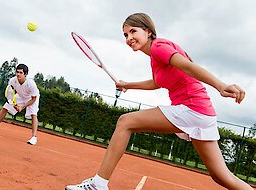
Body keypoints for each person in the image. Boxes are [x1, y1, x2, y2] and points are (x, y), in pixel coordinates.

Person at [65, 13, 253, 190]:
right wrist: (127, 84)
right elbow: (156, 83)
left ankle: (98, 184)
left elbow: (188, 66)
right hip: (201, 113)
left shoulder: (158, 46)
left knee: (125, 122)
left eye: (133, 31)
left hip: (191, 109)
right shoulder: (155, 57)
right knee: (221, 176)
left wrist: (220, 86)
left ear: (148, 31)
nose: (128, 38)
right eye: (125, 34)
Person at [0, 64, 40, 145]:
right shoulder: (12, 80)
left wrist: (22, 106)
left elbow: (34, 99)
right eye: (17, 72)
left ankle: (34, 137)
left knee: (33, 114)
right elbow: (11, 93)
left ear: (25, 74)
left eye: (21, 72)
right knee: (5, 107)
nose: (18, 74)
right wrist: (13, 103)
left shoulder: (31, 84)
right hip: (20, 96)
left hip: (32, 98)